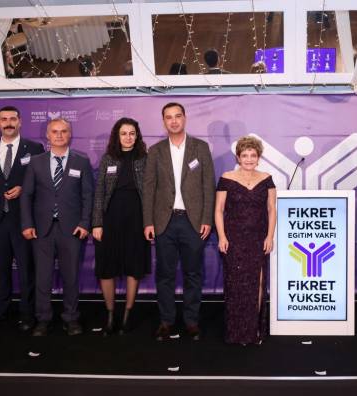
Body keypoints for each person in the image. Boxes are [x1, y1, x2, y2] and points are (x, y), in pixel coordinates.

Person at [143, 102, 215, 341]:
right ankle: (166, 321)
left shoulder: (200, 147)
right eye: (168, 117)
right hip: (164, 222)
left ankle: (191, 322)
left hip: (193, 222)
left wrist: (207, 218)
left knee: (193, 273)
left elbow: (208, 186)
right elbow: (149, 188)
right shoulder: (155, 151)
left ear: (185, 118)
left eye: (177, 116)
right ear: (163, 121)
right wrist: (148, 221)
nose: (173, 121)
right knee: (164, 274)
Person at [20, 118, 94, 337]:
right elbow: (26, 195)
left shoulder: (81, 161)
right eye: (55, 131)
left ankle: (71, 318)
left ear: (70, 134)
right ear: (48, 135)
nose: (59, 135)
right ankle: (43, 319)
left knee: (71, 277)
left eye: (63, 131)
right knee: (42, 278)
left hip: (71, 230)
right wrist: (27, 224)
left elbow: (88, 195)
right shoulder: (36, 162)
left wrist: (84, 223)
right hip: (41, 230)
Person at [0, 106, 45, 331]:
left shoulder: (34, 148)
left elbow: (42, 183)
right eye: (4, 119)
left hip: (23, 220)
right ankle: (1, 310)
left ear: (20, 121)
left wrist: (23, 188)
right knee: (1, 270)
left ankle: (27, 314)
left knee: (26, 270)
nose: (8, 123)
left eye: (12, 119)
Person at [214, 136, 276, 345]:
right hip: (233, 239)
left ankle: (254, 329)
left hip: (258, 239)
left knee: (257, 283)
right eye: (245, 155)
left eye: (253, 155)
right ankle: (237, 331)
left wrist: (270, 236)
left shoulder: (267, 179)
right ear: (238, 157)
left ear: (258, 158)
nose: (249, 159)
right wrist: (222, 236)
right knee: (236, 285)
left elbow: (272, 210)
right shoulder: (226, 178)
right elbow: (219, 210)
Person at [92, 118, 150, 335]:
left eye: (132, 133)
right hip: (110, 219)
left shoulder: (145, 158)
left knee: (134, 266)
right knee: (106, 267)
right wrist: (97, 222)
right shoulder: (108, 158)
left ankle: (127, 314)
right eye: (124, 133)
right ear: (117, 136)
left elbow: (151, 192)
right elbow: (99, 193)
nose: (128, 137)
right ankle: (110, 315)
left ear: (137, 136)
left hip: (137, 219)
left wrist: (150, 222)